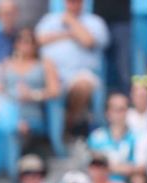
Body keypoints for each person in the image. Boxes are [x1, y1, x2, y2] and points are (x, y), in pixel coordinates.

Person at [35, 0, 109, 136]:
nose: (73, 4)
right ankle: (56, 133)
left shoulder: (94, 21)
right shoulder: (50, 19)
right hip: (53, 74)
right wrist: (70, 34)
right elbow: (39, 39)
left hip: (83, 73)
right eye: (70, 1)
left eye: (76, 2)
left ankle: (69, 122)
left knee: (83, 85)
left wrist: (72, 22)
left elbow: (88, 41)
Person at [1, 28, 60, 155]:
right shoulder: (7, 64)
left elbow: (55, 91)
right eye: (21, 41)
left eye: (29, 42)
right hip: (11, 112)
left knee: (16, 129)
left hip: (32, 114)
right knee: (9, 126)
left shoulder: (44, 64)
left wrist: (33, 95)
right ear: (15, 44)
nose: (25, 45)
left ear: (35, 44)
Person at [86, 92, 138, 182]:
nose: (119, 114)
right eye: (115, 110)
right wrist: (125, 168)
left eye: (122, 109)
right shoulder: (96, 138)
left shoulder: (137, 137)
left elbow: (140, 168)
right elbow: (93, 169)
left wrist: (107, 167)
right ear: (107, 113)